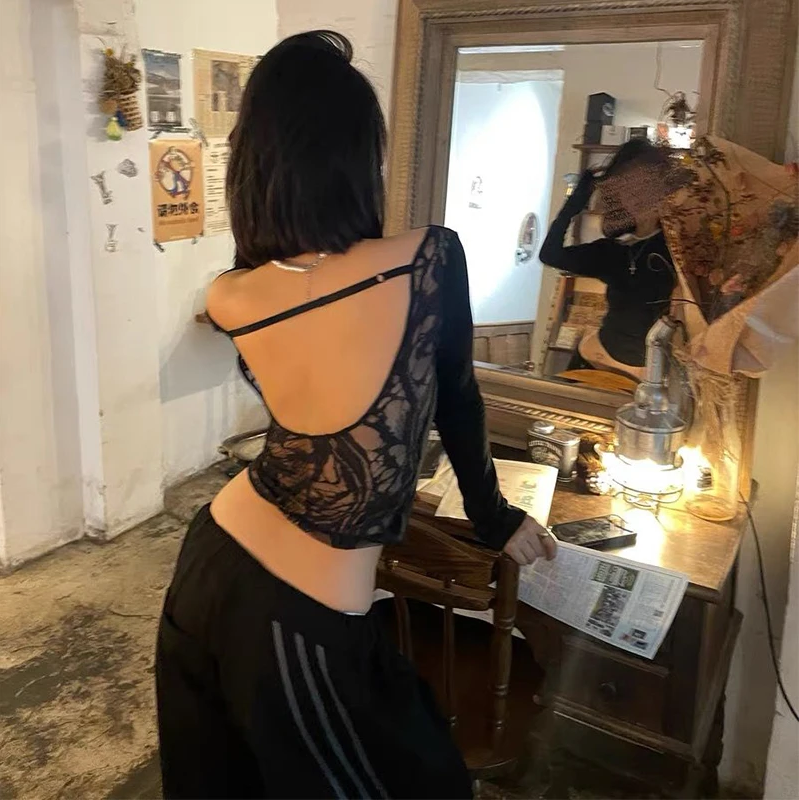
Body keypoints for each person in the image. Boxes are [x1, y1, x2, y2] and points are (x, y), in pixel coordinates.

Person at [155, 31, 556, 800]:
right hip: (294, 617)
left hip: (209, 564)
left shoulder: (230, 294)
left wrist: (495, 518)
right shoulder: (428, 259)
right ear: (360, 158)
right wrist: (495, 517)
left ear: (253, 164)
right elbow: (458, 400)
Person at [539, 139, 678, 379]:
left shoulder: (677, 249)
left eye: (645, 185)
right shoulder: (613, 252)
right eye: (627, 187)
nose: (636, 196)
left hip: (648, 376)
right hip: (593, 362)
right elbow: (550, 254)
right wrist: (576, 202)